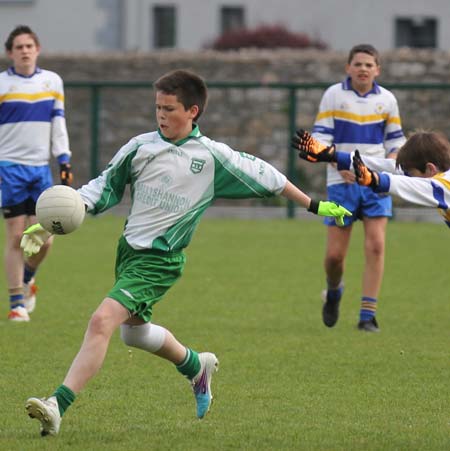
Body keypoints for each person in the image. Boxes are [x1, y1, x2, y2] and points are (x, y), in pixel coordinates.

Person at [20, 69, 351, 436]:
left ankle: (57, 405)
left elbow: (268, 176)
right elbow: (102, 188)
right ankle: (196, 366)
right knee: (134, 334)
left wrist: (313, 205)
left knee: (101, 321)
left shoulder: (211, 157)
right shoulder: (140, 147)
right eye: (157, 107)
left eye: (169, 108)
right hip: (128, 251)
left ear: (193, 111)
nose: (161, 115)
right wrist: (48, 223)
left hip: (161, 260)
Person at [308, 43, 406, 332]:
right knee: (335, 256)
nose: (363, 69)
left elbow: (395, 141)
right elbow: (319, 139)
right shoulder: (333, 95)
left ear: (378, 70)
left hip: (376, 183)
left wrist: (390, 160)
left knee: (376, 245)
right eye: (358, 64)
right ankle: (334, 290)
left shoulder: (387, 99)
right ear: (347, 67)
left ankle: (367, 315)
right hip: (342, 183)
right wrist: (338, 164)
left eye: (369, 65)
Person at [0, 25, 73, 322]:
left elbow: (59, 124)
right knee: (17, 236)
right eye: (19, 47)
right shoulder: (2, 84)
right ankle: (16, 302)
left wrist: (64, 161)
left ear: (38, 49)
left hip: (41, 168)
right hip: (9, 168)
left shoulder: (52, 81)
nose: (25, 51)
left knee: (46, 238)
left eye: (29, 46)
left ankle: (28, 278)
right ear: (10, 53)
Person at [294, 129, 450, 226]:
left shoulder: (445, 186)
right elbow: (386, 166)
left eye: (412, 174)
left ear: (430, 169)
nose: (409, 176)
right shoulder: (437, 176)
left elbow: (407, 185)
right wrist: (333, 156)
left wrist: (375, 180)